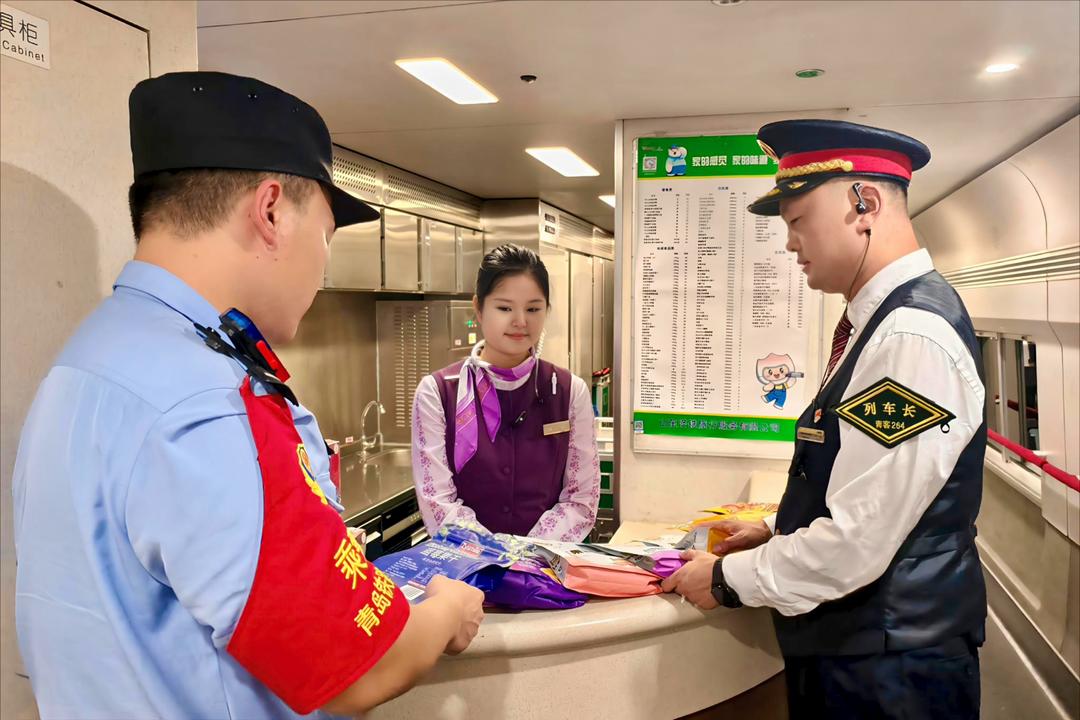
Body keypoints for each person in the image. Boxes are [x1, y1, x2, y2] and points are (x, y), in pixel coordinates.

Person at [12, 71, 484, 719]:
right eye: (326, 233)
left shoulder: (84, 362)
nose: (323, 264)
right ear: (270, 211)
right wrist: (446, 609)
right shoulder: (209, 401)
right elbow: (357, 669)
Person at [663, 119, 986, 719]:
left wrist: (728, 579)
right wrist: (778, 530)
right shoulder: (881, 323)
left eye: (798, 221)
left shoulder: (911, 337)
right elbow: (867, 487)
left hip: (889, 669)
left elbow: (859, 539)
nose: (790, 244)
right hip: (870, 651)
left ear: (864, 205)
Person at [411, 244, 601, 541]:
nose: (520, 321)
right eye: (504, 308)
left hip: (544, 564)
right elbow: (437, 503)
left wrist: (528, 555)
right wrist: (493, 554)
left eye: (533, 309)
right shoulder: (437, 393)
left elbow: (581, 500)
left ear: (547, 310)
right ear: (478, 308)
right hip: (465, 564)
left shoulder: (569, 391)